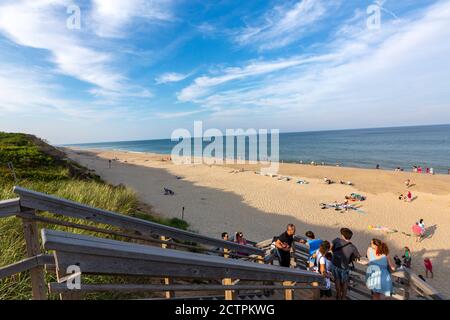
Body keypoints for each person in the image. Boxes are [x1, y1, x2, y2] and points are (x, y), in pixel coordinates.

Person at [330, 228, 361, 300]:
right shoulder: (352, 247)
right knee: (345, 282)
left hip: (335, 264)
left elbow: (331, 248)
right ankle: (343, 297)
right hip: (344, 267)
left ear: (343, 235)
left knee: (337, 280)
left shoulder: (337, 240)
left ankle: (338, 296)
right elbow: (358, 256)